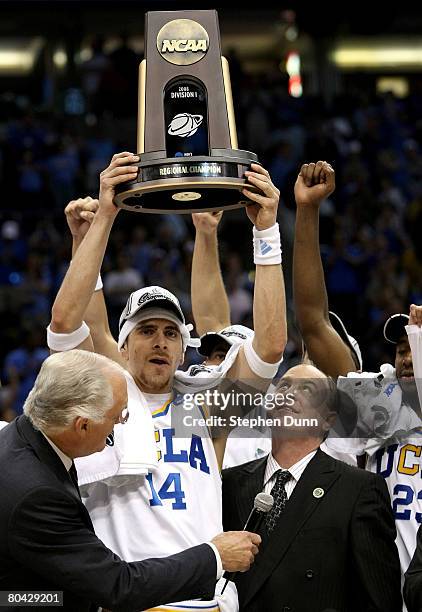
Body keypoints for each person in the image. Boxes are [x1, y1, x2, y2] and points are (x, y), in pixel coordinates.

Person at [48, 153, 287, 611]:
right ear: (121, 346)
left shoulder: (208, 403)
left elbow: (271, 346)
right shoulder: (100, 396)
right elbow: (65, 321)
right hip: (127, 598)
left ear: (184, 347)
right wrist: (102, 220)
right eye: (146, 330)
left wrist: (267, 231)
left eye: (170, 332)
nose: (159, 342)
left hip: (204, 602)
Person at [0, 350, 261, 612]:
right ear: (82, 425)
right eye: (118, 417)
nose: (120, 426)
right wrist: (215, 555)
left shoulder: (21, 435)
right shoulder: (37, 495)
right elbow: (119, 587)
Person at [222, 363, 402, 612]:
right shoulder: (228, 483)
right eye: (283, 385)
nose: (289, 393)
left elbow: (380, 599)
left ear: (328, 420)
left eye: (306, 389)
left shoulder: (359, 489)